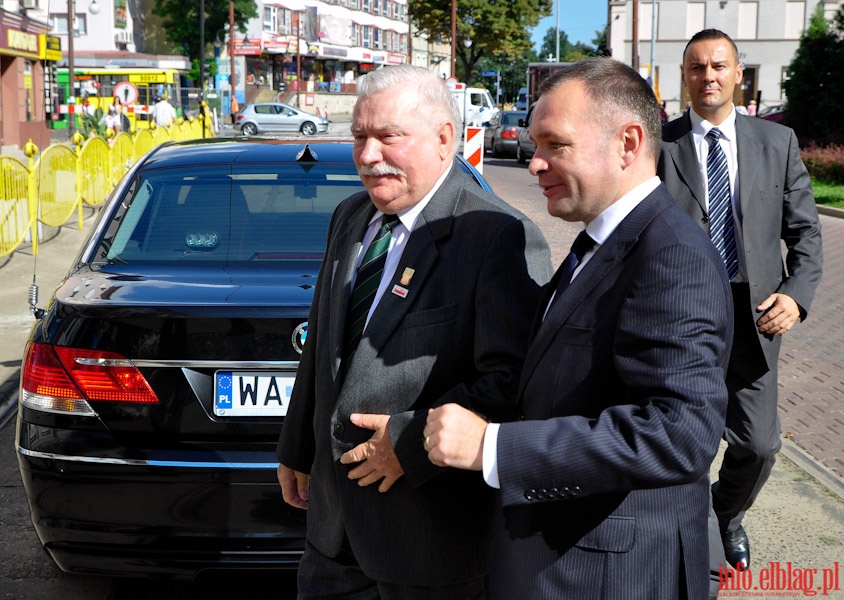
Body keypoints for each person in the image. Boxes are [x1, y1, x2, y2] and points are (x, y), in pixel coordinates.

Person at [424, 57, 733, 599]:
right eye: (536, 144)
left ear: (628, 144)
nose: (534, 164)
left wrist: (495, 449)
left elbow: (680, 432)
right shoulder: (601, 241)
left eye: (555, 144)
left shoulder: (669, 255)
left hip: (608, 575)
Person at [275, 64, 552, 599]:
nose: (368, 155)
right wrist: (296, 448)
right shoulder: (350, 217)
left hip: (428, 542)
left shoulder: (497, 235)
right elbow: (323, 350)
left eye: (388, 137)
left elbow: (513, 382)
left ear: (445, 138)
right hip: (331, 536)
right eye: (359, 136)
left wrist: (409, 444)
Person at [658, 29, 823, 585]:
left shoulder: (776, 144)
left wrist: (796, 297)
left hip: (755, 318)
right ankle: (685, 531)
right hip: (681, 317)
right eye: (697, 68)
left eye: (718, 66)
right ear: (685, 76)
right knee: (682, 435)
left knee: (757, 444)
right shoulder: (660, 144)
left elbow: (806, 235)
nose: (708, 76)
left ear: (738, 73)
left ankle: (726, 514)